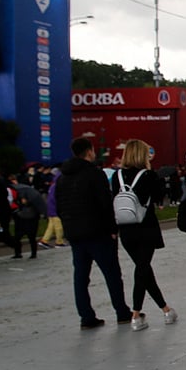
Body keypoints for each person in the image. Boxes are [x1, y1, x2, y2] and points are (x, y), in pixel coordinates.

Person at [55, 137, 134, 329]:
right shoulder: (94, 174)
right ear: (89, 151)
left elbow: (59, 206)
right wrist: (112, 229)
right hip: (98, 232)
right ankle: (121, 311)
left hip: (75, 233)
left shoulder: (62, 178)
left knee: (80, 276)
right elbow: (105, 204)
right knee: (112, 273)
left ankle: (86, 316)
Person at [111, 139, 176, 329]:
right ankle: (136, 315)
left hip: (126, 229)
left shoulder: (117, 177)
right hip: (145, 228)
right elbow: (158, 198)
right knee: (142, 270)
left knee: (144, 270)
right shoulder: (148, 175)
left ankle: (166, 309)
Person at [9, 179, 46, 259]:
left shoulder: (26, 194)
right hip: (25, 218)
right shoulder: (27, 193)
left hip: (27, 218)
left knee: (29, 237)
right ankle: (23, 253)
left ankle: (28, 253)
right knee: (23, 237)